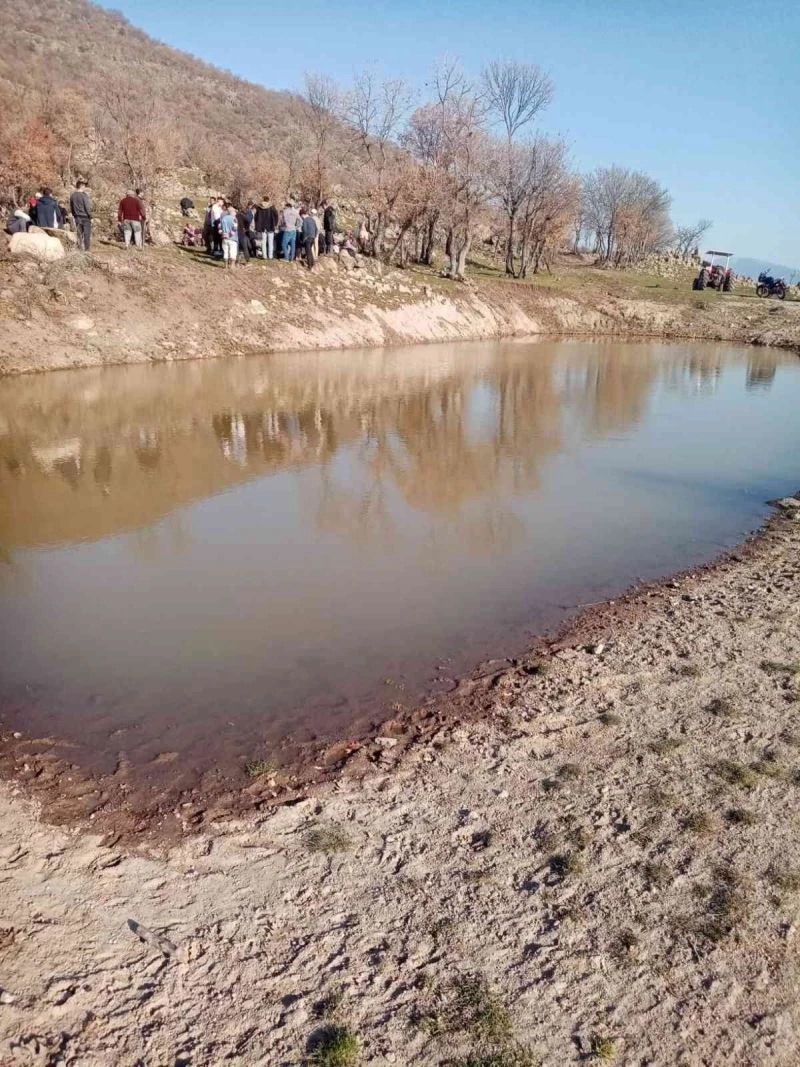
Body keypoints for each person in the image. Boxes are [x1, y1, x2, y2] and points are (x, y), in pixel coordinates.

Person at [69, 180, 93, 251]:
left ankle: (79, 249)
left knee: (79, 234)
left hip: (77, 217)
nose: (85, 187)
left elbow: (71, 207)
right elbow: (87, 207)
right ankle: (87, 250)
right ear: (81, 186)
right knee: (86, 234)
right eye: (84, 185)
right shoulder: (84, 195)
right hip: (85, 217)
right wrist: (91, 216)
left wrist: (74, 215)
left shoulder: (72, 195)